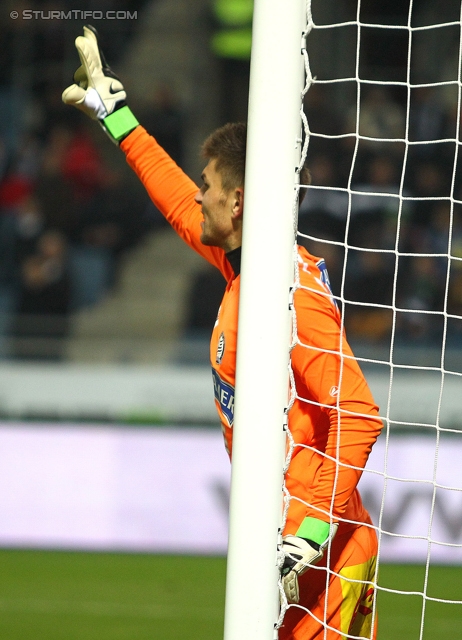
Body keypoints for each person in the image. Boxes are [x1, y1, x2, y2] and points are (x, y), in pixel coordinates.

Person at [62, 25, 383, 639]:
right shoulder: (244, 264)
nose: (200, 194)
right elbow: (176, 199)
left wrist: (309, 534)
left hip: (323, 556)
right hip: (279, 537)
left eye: (210, 184)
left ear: (237, 201)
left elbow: (359, 414)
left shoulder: (293, 295)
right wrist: (117, 115)